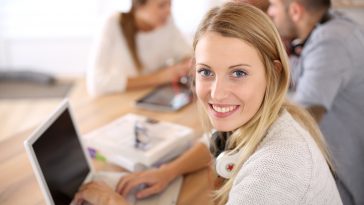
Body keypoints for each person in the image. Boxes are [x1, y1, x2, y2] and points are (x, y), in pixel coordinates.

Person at [74, 3, 342, 205]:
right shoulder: (269, 117)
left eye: (238, 73)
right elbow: (215, 140)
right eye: (206, 72)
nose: (217, 92)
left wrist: (112, 201)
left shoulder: (271, 171)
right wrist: (167, 172)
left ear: (274, 73)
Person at [267, 0, 364, 204]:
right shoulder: (331, 25)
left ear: (295, 11)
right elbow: (298, 76)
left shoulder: (332, 42)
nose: (270, 12)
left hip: (343, 176)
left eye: (273, 5)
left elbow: (305, 116)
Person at [87, 0, 192, 96]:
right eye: (161, 5)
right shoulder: (112, 23)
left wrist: (186, 65)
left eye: (170, 4)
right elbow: (96, 83)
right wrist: (159, 78)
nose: (168, 11)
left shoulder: (167, 23)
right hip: (120, 99)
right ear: (139, 6)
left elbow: (187, 54)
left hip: (154, 96)